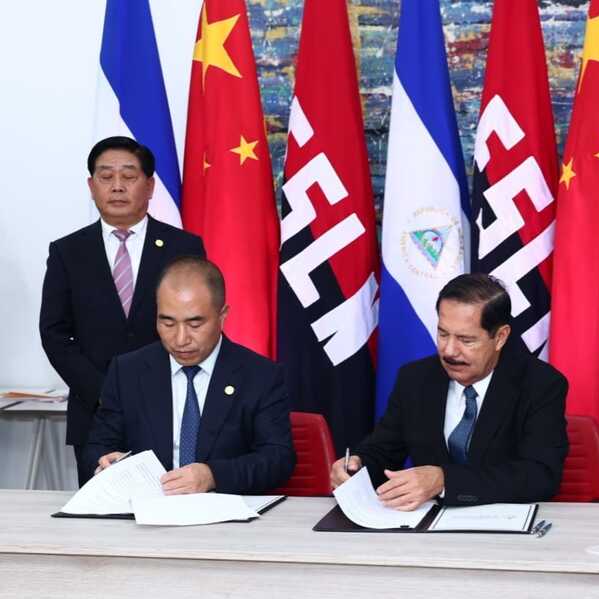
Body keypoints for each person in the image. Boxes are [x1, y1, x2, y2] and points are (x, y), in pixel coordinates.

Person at [40, 136, 205, 485]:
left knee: (173, 504)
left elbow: (198, 325)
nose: (117, 186)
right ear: (91, 186)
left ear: (150, 186)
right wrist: (105, 393)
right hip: (95, 414)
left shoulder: (184, 247)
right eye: (106, 176)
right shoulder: (68, 252)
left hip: (169, 406)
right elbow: (55, 334)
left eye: (128, 176)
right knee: (101, 512)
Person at [330, 273, 569, 509]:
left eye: (466, 340)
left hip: (504, 526)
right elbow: (384, 451)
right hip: (426, 523)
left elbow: (540, 475)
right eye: (443, 334)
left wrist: (445, 481)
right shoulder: (415, 379)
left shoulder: (540, 385)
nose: (449, 351)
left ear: (500, 337)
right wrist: (358, 467)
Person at [84, 257, 295, 495]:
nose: (180, 339)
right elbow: (97, 446)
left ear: (222, 315)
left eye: (195, 324)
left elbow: (278, 459)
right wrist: (106, 461)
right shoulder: (127, 371)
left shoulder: (260, 376)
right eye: (168, 323)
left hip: (226, 509)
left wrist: (213, 475)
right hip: (149, 509)